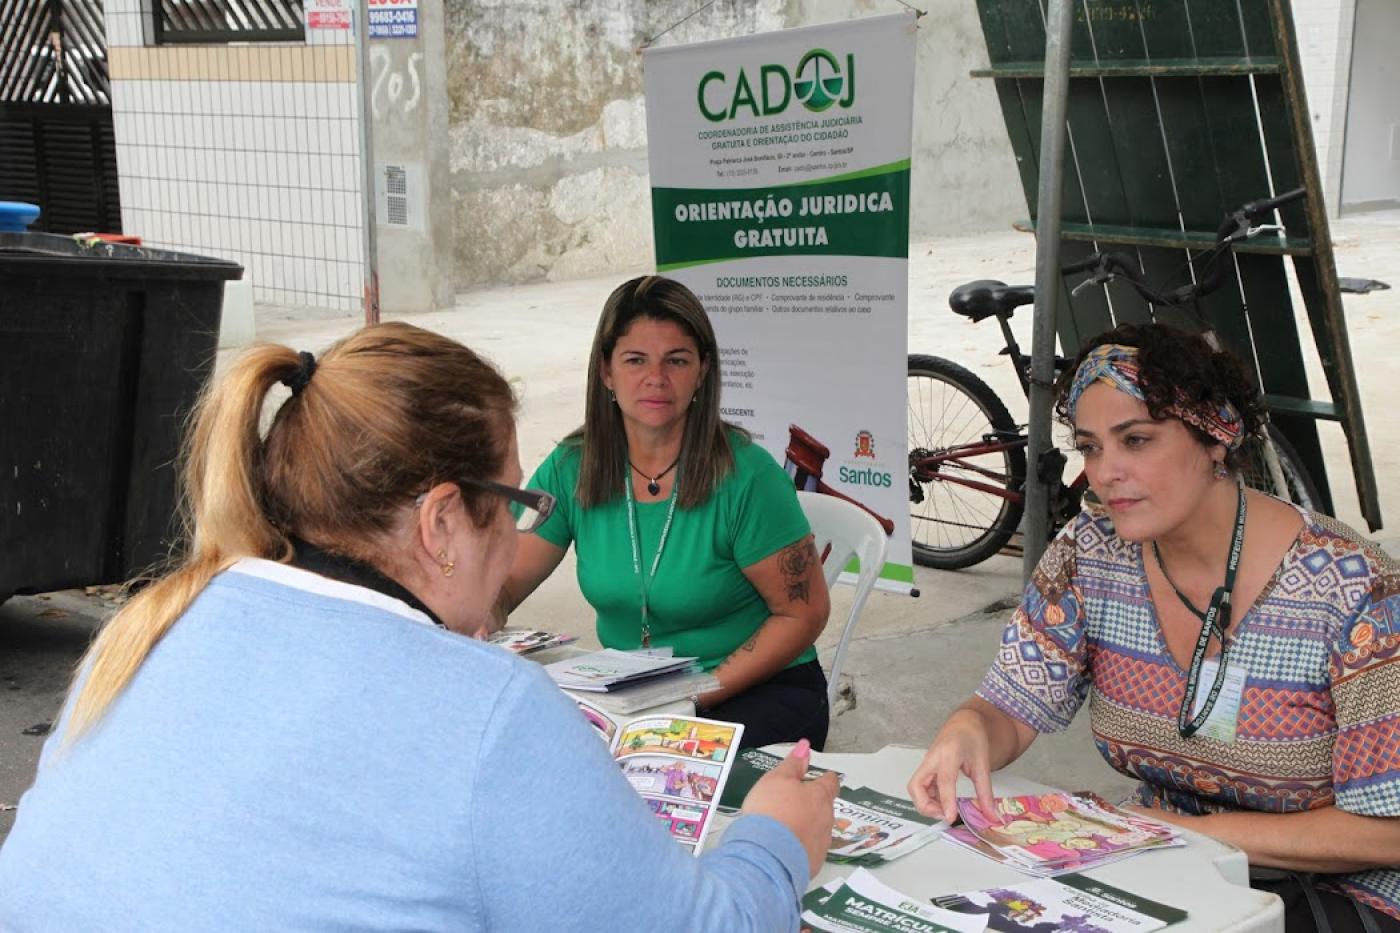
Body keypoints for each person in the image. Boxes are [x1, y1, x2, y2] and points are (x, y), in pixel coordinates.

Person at [0, 323, 840, 930]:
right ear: (442, 524)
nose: (521, 535)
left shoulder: (152, 624)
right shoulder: (490, 710)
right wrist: (773, 841)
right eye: (513, 504)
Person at [907, 323, 1400, 931]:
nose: (1105, 471)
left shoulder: (1354, 587)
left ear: (1215, 438)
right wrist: (967, 729)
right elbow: (1010, 706)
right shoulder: (1090, 552)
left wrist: (1182, 833)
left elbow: (1387, 834)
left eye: (1135, 440)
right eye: (1090, 447)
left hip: (1336, 889)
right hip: (1159, 859)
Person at [496, 275, 832, 749]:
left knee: (650, 768)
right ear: (606, 372)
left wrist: (692, 697)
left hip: (757, 690)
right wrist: (479, 615)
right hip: (633, 695)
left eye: (677, 360)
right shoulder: (572, 466)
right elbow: (507, 581)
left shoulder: (747, 476)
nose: (656, 378)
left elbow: (803, 614)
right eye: (635, 360)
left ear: (702, 372)